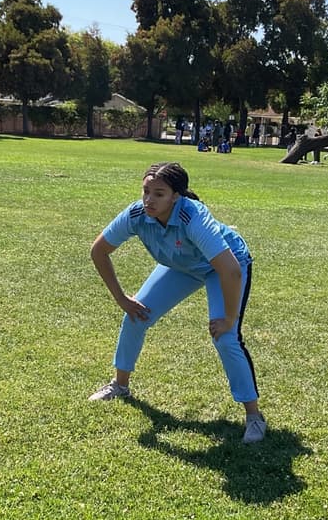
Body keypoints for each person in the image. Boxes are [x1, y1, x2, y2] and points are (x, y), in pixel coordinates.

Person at [88, 162, 266, 444]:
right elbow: (98, 251)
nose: (149, 199)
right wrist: (122, 299)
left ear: (176, 196)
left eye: (159, 193)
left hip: (222, 266)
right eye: (146, 191)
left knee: (225, 338)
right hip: (181, 266)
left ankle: (254, 417)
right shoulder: (136, 215)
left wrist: (229, 319)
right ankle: (120, 386)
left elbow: (230, 270)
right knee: (136, 315)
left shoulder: (192, 217)